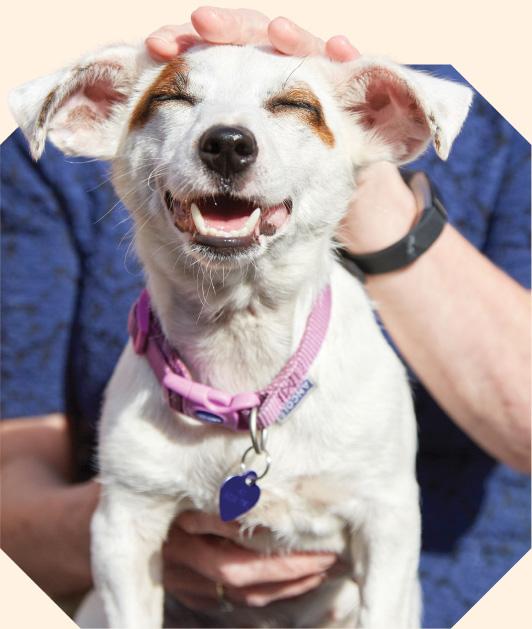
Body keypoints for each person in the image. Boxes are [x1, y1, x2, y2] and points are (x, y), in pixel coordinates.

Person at [1, 7, 530, 627]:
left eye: (289, 107)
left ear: (383, 129)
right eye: (178, 101)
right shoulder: (36, 172)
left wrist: (384, 207)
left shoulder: (502, 126)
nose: (227, 135)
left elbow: (389, 519)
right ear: (92, 116)